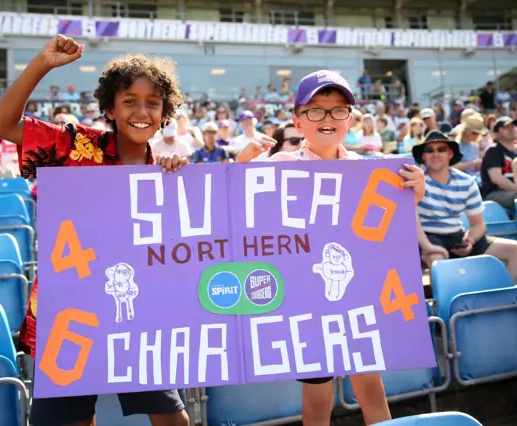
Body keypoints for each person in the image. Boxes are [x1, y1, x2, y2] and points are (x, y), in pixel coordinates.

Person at [162, 70, 426, 426]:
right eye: (316, 110)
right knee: (317, 402)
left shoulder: (370, 169)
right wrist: (242, 163)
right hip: (308, 308)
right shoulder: (279, 166)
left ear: (351, 117)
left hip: (359, 302)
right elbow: (231, 202)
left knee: (373, 392)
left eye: (338, 110)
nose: (328, 119)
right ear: (298, 121)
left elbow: (390, 227)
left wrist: (415, 192)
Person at [0, 34, 189, 426]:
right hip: (70, 315)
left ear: (165, 112)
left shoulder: (165, 173)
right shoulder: (73, 145)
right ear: (110, 109)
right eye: (129, 101)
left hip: (136, 318)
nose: (141, 111)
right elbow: (0, 124)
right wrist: (42, 64)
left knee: (174, 421)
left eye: (152, 103)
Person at [413, 130, 517, 284]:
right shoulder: (416, 181)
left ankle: (511, 301)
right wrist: (427, 246)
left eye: (441, 149)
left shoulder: (466, 181)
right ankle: (444, 307)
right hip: (428, 237)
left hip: (457, 236)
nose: (435, 154)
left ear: (450, 154)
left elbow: (478, 224)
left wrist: (470, 240)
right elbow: (411, 222)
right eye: (429, 150)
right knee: (437, 260)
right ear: (423, 156)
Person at [480, 116, 517, 212]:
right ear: (497, 133)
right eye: (505, 127)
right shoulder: (493, 151)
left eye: (512, 126)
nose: (511, 129)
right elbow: (497, 179)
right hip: (494, 194)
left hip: (512, 192)